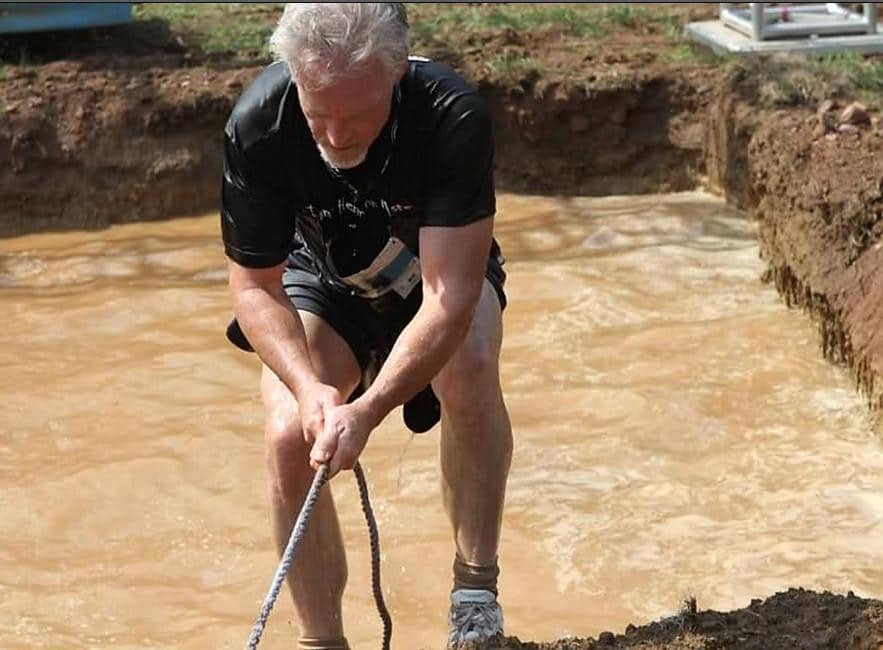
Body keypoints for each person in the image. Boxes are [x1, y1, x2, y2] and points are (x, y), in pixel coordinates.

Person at [221, 4, 513, 649]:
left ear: (397, 75)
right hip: (321, 274)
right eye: (318, 114)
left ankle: (474, 591)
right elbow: (254, 288)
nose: (337, 136)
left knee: (468, 365)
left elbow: (450, 292)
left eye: (359, 116)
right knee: (288, 436)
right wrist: (308, 390)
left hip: (431, 268)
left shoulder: (450, 114)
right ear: (293, 78)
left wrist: (373, 407)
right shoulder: (258, 122)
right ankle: (321, 640)